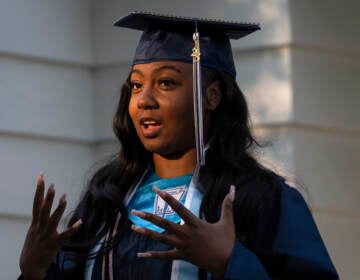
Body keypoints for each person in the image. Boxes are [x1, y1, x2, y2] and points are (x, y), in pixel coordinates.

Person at [19, 12, 339, 280]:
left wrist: (230, 263)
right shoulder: (108, 197)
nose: (144, 100)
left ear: (212, 96)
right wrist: (37, 272)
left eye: (166, 83)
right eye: (136, 85)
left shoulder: (262, 199)